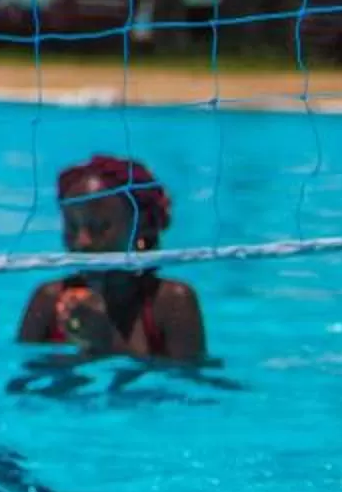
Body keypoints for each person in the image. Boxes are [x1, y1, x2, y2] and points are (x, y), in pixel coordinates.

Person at [16, 155, 207, 361]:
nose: (82, 241)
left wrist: (106, 340)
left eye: (99, 227)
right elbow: (21, 386)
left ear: (139, 229)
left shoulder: (171, 303)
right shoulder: (49, 301)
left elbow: (187, 388)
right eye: (72, 227)